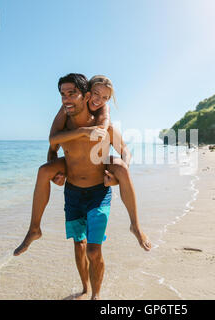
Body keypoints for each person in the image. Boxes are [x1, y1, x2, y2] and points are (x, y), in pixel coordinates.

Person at [14, 73, 150, 299]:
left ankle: (134, 228)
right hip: (73, 193)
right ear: (88, 95)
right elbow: (53, 145)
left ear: (83, 95)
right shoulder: (65, 120)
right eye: (63, 94)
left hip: (99, 192)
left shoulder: (104, 126)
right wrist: (55, 172)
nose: (67, 98)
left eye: (103, 97)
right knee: (79, 245)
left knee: (93, 250)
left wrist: (115, 177)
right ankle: (36, 231)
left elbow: (125, 150)